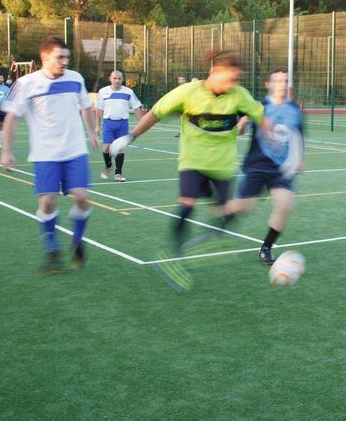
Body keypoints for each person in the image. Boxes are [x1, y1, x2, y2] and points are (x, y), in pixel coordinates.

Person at [110, 51, 267, 289]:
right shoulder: (188, 92)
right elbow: (156, 113)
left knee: (228, 213)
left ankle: (213, 239)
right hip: (192, 161)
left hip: (222, 165)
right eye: (230, 78)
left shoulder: (239, 95)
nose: (234, 84)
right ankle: (174, 256)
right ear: (215, 72)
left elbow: (261, 117)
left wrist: (276, 137)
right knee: (187, 204)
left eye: (237, 79)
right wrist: (130, 136)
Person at [1, 37, 99, 274]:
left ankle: (77, 241)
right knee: (48, 202)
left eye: (67, 57)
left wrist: (92, 132)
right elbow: (11, 117)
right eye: (60, 57)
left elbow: (86, 106)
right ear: (45, 57)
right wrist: (6, 151)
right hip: (45, 153)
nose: (64, 62)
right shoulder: (26, 83)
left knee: (82, 196)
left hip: (75, 150)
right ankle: (52, 246)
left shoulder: (76, 78)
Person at [224, 68, 304, 265]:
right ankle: (218, 227)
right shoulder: (258, 106)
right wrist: (242, 124)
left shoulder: (294, 109)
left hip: (281, 169)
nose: (282, 84)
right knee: (241, 208)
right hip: (257, 166)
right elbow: (239, 131)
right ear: (268, 85)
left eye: (285, 81)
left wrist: (300, 157)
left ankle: (266, 247)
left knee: (285, 204)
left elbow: (299, 135)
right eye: (277, 81)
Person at [95, 70, 143, 182]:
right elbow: (98, 110)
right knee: (106, 148)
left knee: (120, 148)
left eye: (119, 78)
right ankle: (108, 167)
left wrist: (141, 124)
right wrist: (97, 125)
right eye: (115, 78)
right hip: (108, 123)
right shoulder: (103, 91)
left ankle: (118, 174)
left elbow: (136, 108)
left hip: (122, 124)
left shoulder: (129, 92)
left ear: (122, 79)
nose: (117, 81)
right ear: (110, 79)